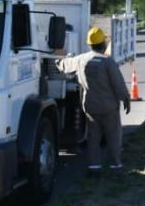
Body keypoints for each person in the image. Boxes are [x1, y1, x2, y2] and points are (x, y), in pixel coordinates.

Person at [56, 27, 131, 171]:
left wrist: (58, 61)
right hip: (109, 107)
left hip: (90, 107)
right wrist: (126, 99)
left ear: (89, 44)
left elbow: (64, 65)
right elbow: (118, 84)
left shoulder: (81, 59)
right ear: (103, 44)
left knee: (93, 137)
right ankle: (115, 165)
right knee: (113, 136)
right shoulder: (108, 62)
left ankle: (94, 166)